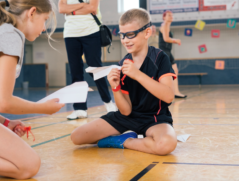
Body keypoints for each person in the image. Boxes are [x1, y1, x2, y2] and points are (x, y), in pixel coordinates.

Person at [0, 0, 64, 179]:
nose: (44, 28)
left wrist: (5, 122)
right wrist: (43, 108)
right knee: (28, 166)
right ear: (32, 12)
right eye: (44, 20)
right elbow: (4, 102)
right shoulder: (11, 35)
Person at [70, 8, 178, 156]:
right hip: (128, 119)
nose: (125, 40)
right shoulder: (122, 64)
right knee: (77, 137)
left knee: (166, 144)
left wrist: (137, 74)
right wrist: (115, 87)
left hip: (156, 119)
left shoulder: (160, 58)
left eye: (130, 35)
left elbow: (168, 96)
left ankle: (124, 141)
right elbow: (125, 111)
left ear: (147, 33)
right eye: (122, 36)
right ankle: (131, 137)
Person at [58, 0, 116, 120]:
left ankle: (108, 103)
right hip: (71, 33)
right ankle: (80, 109)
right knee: (75, 71)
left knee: (96, 68)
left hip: (91, 32)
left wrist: (71, 10)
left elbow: (93, 7)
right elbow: (61, 8)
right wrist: (83, 5)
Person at [159, 10, 187, 98]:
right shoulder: (165, 25)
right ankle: (170, 92)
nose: (171, 17)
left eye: (171, 15)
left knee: (175, 71)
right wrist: (176, 40)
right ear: (164, 17)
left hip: (167, 51)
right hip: (165, 51)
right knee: (168, 72)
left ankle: (176, 92)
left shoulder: (166, 25)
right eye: (168, 15)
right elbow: (166, 39)